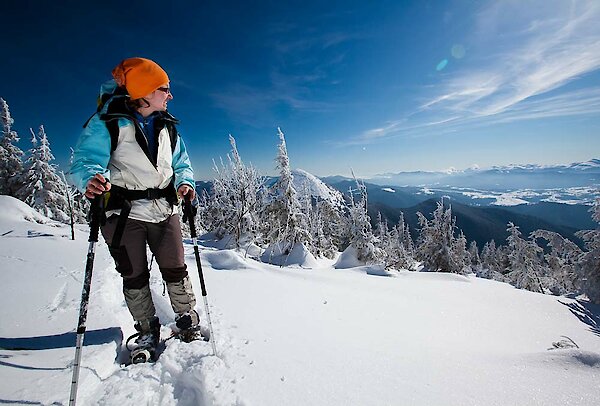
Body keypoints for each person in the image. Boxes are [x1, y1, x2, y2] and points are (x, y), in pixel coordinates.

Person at [70, 57, 199, 363]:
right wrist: (91, 179)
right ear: (144, 91)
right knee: (134, 274)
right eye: (164, 89)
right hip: (123, 214)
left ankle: (185, 317)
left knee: (175, 267)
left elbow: (182, 165)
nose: (170, 95)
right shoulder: (108, 122)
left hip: (165, 209)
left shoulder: (168, 126)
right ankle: (146, 328)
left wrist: (185, 183)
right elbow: (85, 161)